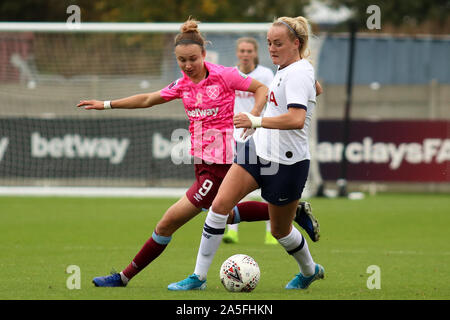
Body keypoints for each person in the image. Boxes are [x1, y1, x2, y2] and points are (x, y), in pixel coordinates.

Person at [76, 18, 319, 288]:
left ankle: (125, 277)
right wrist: (107, 104)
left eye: (192, 59)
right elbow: (147, 99)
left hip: (224, 162)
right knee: (224, 215)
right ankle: (293, 212)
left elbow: (261, 88)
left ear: (204, 54)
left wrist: (253, 116)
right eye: (182, 61)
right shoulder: (182, 84)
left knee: (169, 223)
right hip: (204, 164)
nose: (188, 65)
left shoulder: (225, 75)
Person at [168, 16, 324, 291]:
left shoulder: (298, 72)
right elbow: (315, 88)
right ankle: (198, 277)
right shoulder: (289, 68)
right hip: (257, 150)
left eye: (278, 43)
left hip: (287, 163)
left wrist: (256, 121)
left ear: (296, 43)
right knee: (218, 207)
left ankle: (309, 270)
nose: (272, 49)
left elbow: (297, 119)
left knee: (280, 231)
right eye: (269, 43)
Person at [223, 36, 277, 245]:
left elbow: (271, 102)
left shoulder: (265, 74)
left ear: (255, 53)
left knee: (267, 182)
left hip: (260, 134)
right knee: (233, 185)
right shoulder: (230, 74)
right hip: (234, 135)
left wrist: (257, 120)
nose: (245, 54)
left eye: (249, 51)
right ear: (237, 53)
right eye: (242, 51)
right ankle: (232, 231)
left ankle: (272, 230)